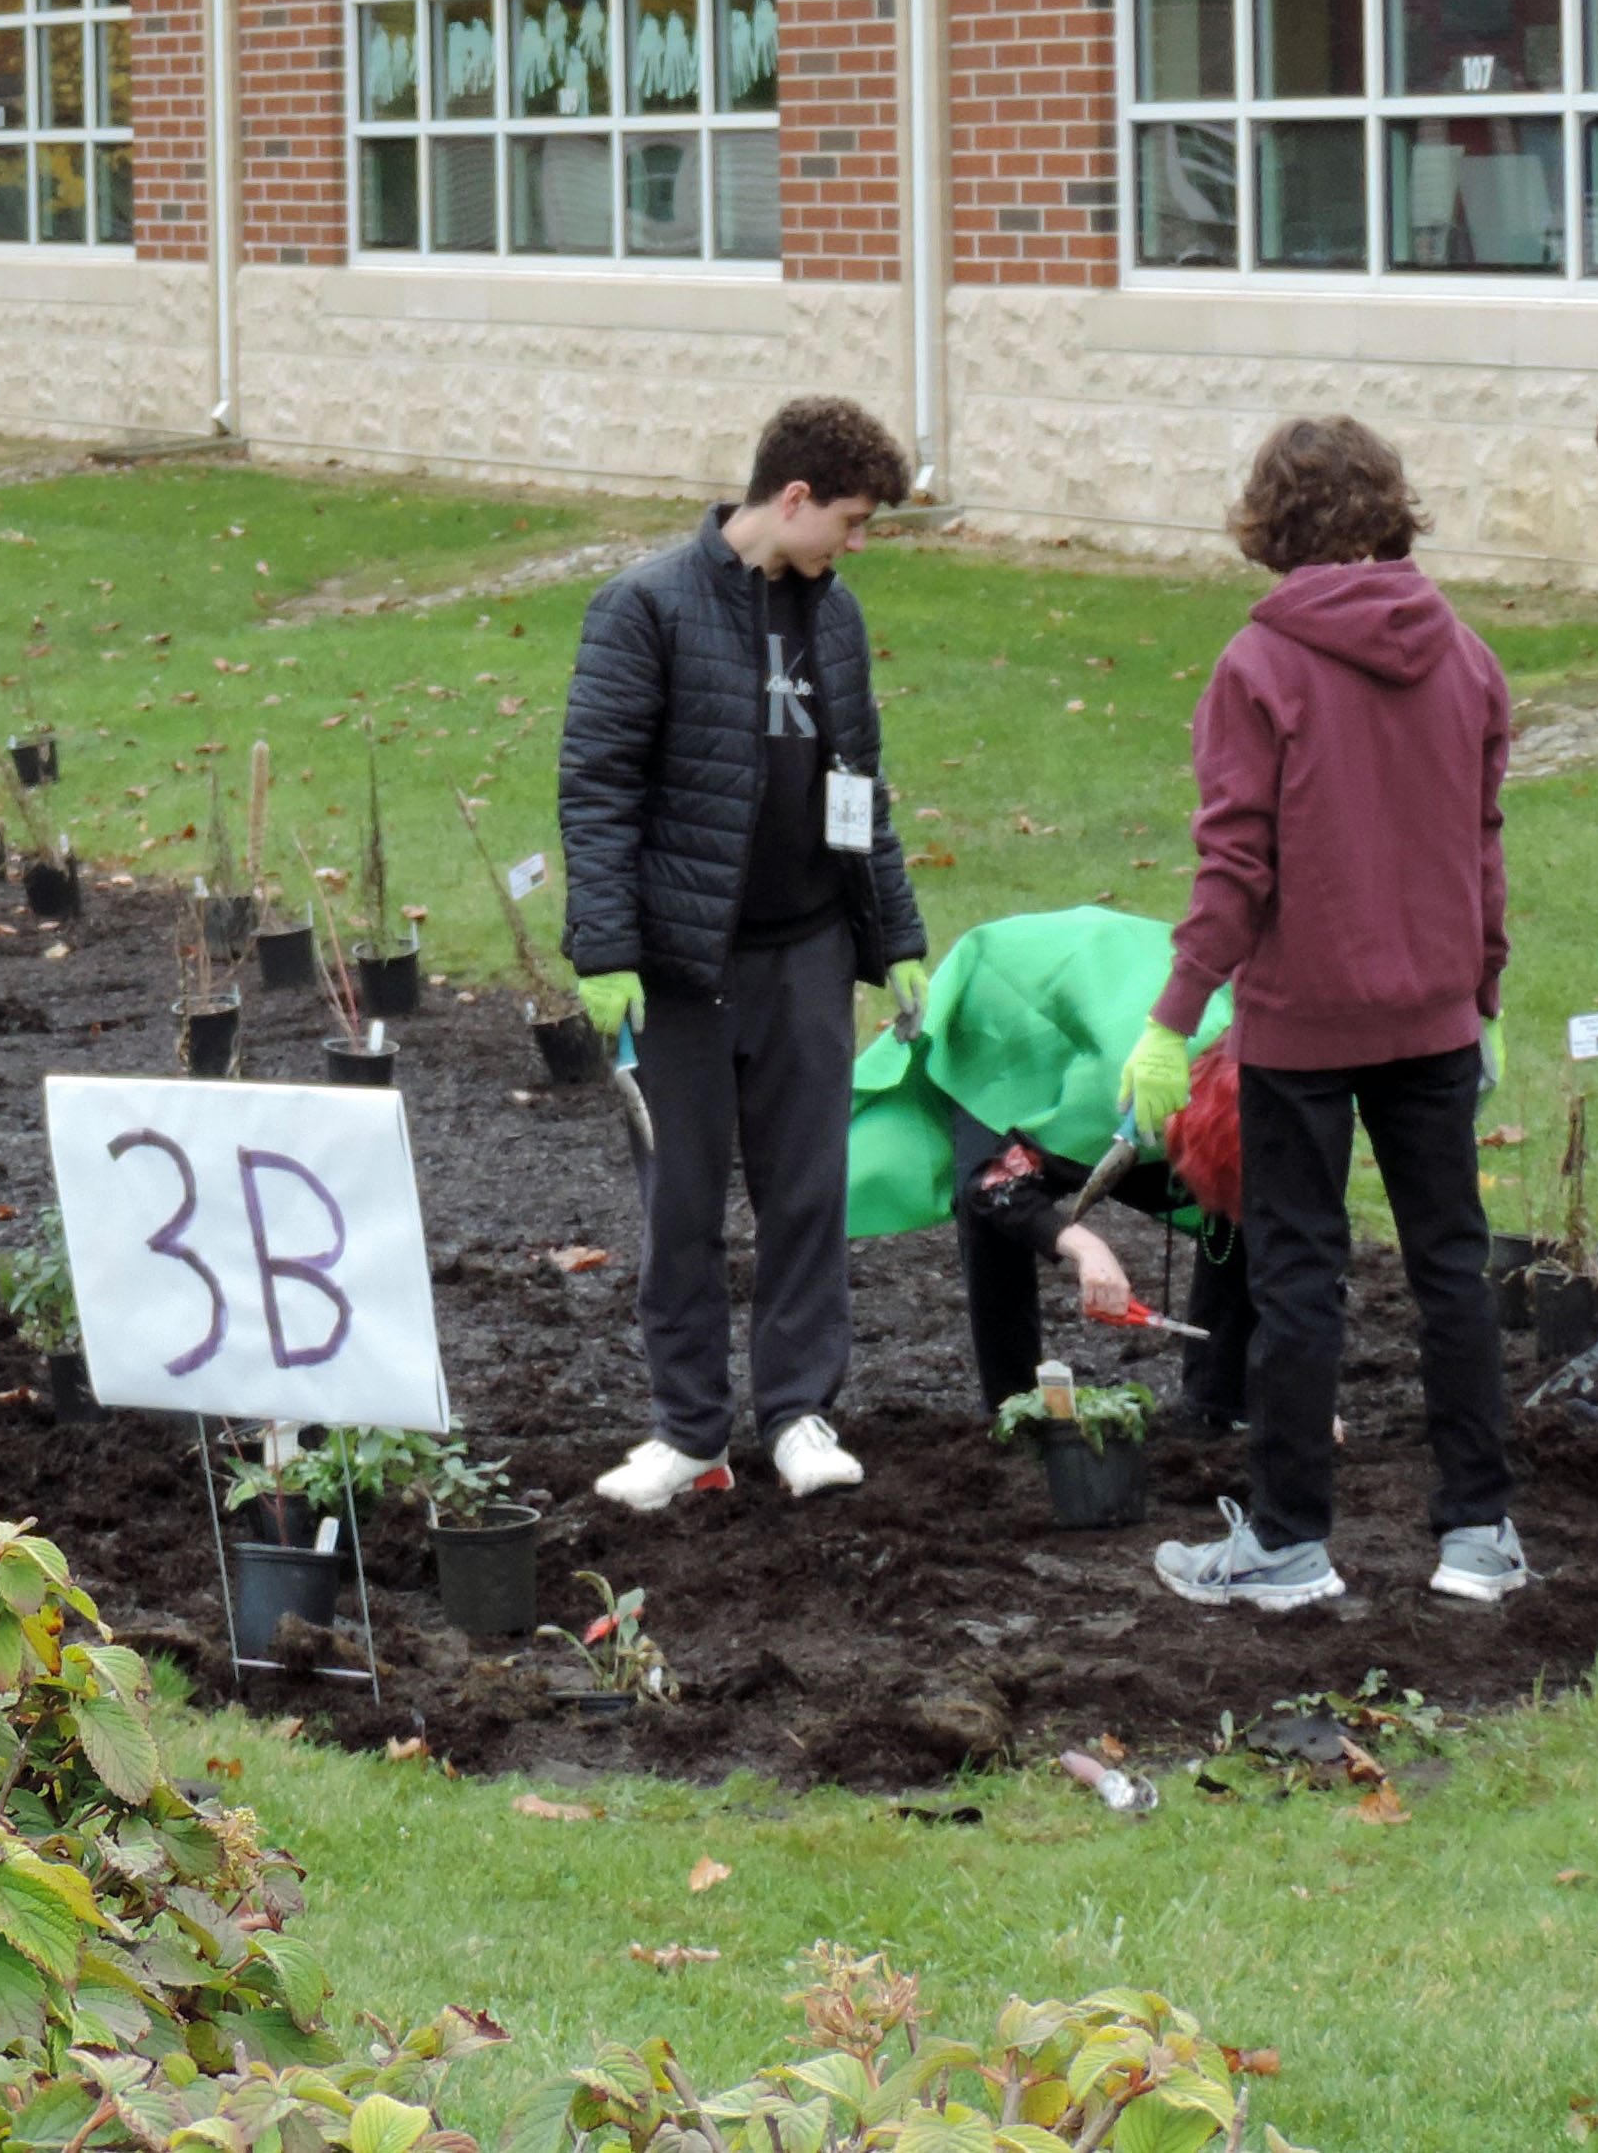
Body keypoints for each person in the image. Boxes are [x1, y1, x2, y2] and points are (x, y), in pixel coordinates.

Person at [1134, 417, 1520, 1609]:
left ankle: (1287, 1545)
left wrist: (1170, 1018)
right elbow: (1480, 847)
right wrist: (1483, 991)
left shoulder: (1256, 667)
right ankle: (1478, 1538)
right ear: (1389, 508)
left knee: (1297, 1278)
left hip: (1300, 1025)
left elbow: (1232, 865)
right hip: (1433, 1020)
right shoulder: (1465, 655)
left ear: (1270, 523)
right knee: (1451, 1270)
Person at [560, 395, 929, 1511]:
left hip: (806, 952)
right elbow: (598, 784)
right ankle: (686, 1431)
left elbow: (857, 785)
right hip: (681, 968)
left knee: (807, 1192)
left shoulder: (836, 616)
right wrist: (605, 946)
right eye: (852, 521)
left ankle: (797, 1415)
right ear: (794, 497)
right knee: (680, 1200)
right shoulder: (645, 608)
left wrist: (896, 936)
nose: (856, 547)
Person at [954, 1041, 1254, 1431]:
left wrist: (1307, 1395)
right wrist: (1087, 1248)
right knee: (988, 1217)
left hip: (1188, 1120)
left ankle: (1222, 1404)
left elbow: (1307, 1247)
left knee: (1243, 1211)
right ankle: (1012, 1408)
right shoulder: (1077, 1107)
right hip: (1024, 1078)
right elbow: (989, 1185)